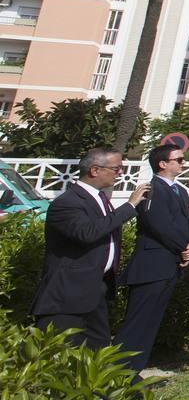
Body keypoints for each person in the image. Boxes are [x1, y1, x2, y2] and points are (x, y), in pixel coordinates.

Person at [31, 149, 150, 349]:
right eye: (115, 168)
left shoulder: (100, 199)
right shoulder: (67, 202)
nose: (119, 173)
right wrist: (130, 206)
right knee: (58, 353)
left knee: (97, 352)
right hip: (68, 294)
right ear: (95, 170)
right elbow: (87, 233)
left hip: (95, 289)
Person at [116, 143, 189, 375]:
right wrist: (182, 246)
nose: (183, 163)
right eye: (179, 160)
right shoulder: (151, 189)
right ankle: (119, 375)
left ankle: (135, 373)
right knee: (137, 325)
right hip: (151, 266)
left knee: (150, 325)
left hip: (170, 265)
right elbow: (158, 224)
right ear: (163, 164)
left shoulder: (180, 190)